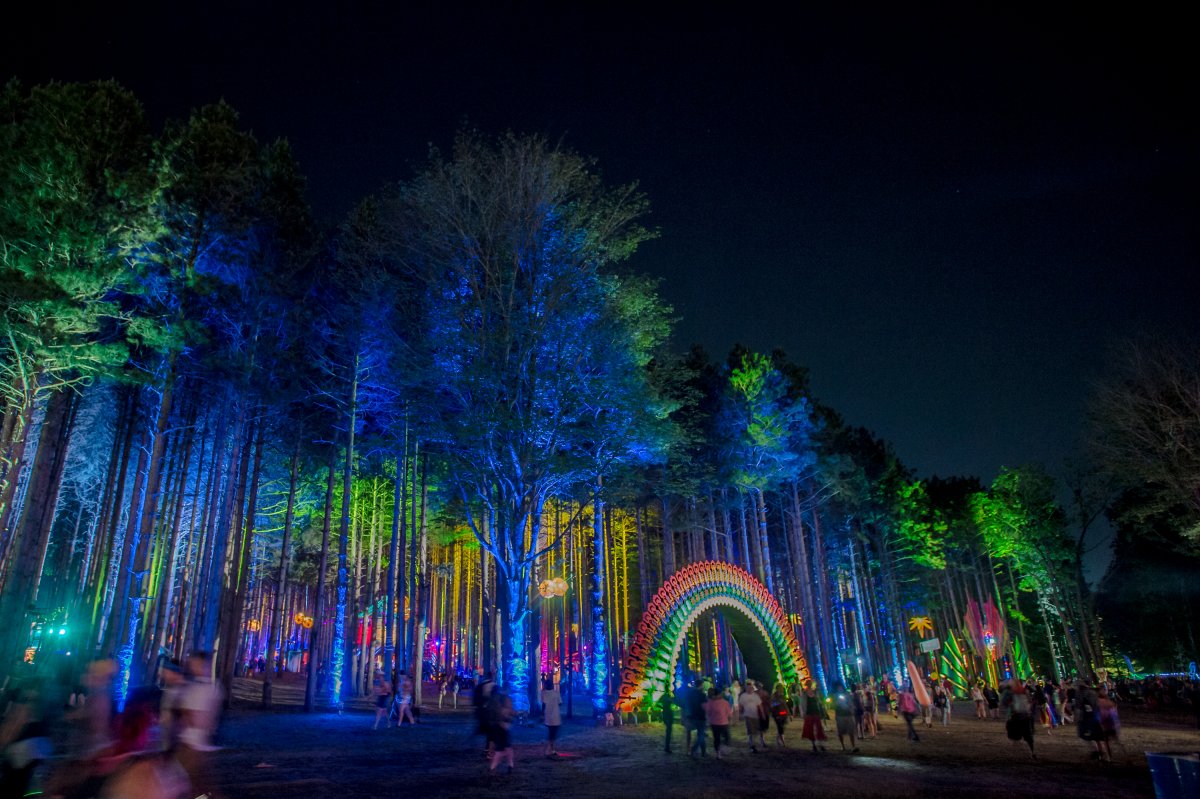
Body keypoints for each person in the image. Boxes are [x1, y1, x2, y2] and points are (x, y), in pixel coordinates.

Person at [175, 651, 224, 796]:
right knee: (200, 786)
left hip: (191, 745)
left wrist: (183, 712)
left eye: (194, 664)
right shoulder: (214, 689)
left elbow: (195, 719)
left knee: (185, 785)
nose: (191, 667)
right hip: (202, 744)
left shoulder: (197, 689)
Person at [1000, 679, 1035, 759]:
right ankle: (1030, 752)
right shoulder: (1024, 691)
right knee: (1027, 735)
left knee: (1015, 735)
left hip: (1015, 716)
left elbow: (1003, 702)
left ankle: (1021, 753)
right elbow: (1030, 701)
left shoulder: (1009, 692)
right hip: (1024, 715)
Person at [487, 689, 515, 774]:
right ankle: (493, 768)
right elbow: (506, 714)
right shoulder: (505, 700)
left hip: (501, 728)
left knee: (507, 749)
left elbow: (510, 713)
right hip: (502, 729)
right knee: (502, 751)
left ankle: (510, 765)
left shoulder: (500, 700)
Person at [738, 679, 766, 752]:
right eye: (749, 688)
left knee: (756, 730)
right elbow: (740, 705)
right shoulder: (743, 696)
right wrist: (740, 713)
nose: (750, 689)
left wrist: (762, 714)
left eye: (751, 688)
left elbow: (760, 705)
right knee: (750, 731)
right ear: (746, 688)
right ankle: (751, 745)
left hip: (755, 715)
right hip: (747, 715)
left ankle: (753, 743)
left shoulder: (755, 696)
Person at [704, 687, 732, 759]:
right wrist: (729, 720)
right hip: (723, 722)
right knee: (726, 737)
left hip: (714, 723)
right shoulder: (725, 702)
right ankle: (720, 750)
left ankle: (718, 753)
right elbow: (729, 713)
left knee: (717, 738)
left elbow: (708, 712)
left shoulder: (710, 702)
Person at [800, 680, 827, 752]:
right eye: (808, 684)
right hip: (809, 713)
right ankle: (814, 745)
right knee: (810, 730)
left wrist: (822, 707)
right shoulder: (804, 693)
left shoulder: (815, 692)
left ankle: (820, 745)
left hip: (815, 712)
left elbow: (820, 701)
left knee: (819, 729)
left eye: (810, 684)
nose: (809, 685)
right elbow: (802, 704)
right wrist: (803, 713)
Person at [473, 670, 495, 758]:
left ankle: (487, 749)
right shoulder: (494, 686)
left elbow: (476, 700)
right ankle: (489, 751)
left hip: (482, 712)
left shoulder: (480, 686)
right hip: (491, 712)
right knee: (491, 733)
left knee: (488, 732)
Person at [833, 684, 859, 753]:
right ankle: (843, 746)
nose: (840, 689)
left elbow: (851, 703)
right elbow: (834, 705)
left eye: (841, 687)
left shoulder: (847, 694)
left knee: (851, 731)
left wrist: (851, 709)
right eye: (838, 688)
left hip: (848, 714)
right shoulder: (835, 695)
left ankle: (853, 746)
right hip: (840, 715)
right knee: (840, 732)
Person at [686, 680, 708, 757]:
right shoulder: (702, 695)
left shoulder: (691, 694)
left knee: (701, 734)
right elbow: (705, 706)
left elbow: (689, 704)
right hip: (701, 716)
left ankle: (703, 751)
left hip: (694, 716)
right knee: (701, 735)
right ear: (701, 685)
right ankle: (694, 748)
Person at [541, 678, 562, 756]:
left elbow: (544, 704)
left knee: (551, 733)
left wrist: (542, 714)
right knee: (553, 734)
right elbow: (560, 703)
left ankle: (551, 749)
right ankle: (549, 749)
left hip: (548, 715)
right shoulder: (556, 693)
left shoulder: (544, 693)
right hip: (556, 715)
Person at [660, 688, 675, 753]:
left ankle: (667, 747)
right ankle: (667, 747)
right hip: (668, 714)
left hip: (665, 714)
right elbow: (673, 701)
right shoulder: (668, 697)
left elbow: (658, 703)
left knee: (668, 731)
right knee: (668, 732)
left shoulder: (663, 697)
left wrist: (663, 707)